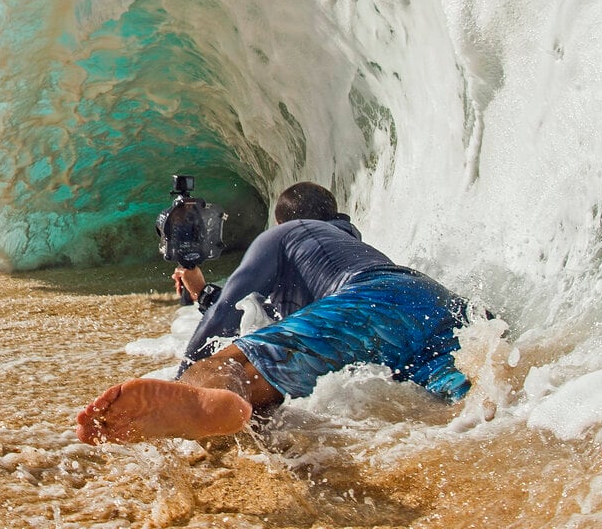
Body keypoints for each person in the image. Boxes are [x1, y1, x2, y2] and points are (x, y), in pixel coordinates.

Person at [76, 182, 478, 444]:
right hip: (441, 308)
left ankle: (201, 401)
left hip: (374, 299)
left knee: (236, 366)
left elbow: (230, 312)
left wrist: (186, 375)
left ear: (281, 219)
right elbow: (280, 323)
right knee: (473, 400)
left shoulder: (291, 231)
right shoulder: (345, 245)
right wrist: (201, 293)